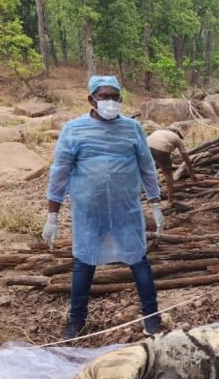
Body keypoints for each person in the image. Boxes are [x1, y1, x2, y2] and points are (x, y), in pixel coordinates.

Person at [43, 76, 165, 340]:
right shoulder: (74, 130)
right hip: (89, 212)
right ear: (91, 99)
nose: (110, 102)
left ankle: (152, 318)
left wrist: (155, 202)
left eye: (115, 97)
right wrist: (52, 215)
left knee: (138, 260)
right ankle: (76, 321)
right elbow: (60, 173)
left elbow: (146, 166)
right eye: (104, 96)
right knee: (85, 263)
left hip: (126, 210)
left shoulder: (132, 129)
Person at [147, 125, 198, 202]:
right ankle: (170, 198)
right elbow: (186, 158)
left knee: (149, 170)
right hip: (161, 148)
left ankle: (152, 195)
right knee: (167, 173)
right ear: (177, 132)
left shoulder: (159, 132)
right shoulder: (176, 138)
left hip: (146, 146)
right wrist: (192, 174)